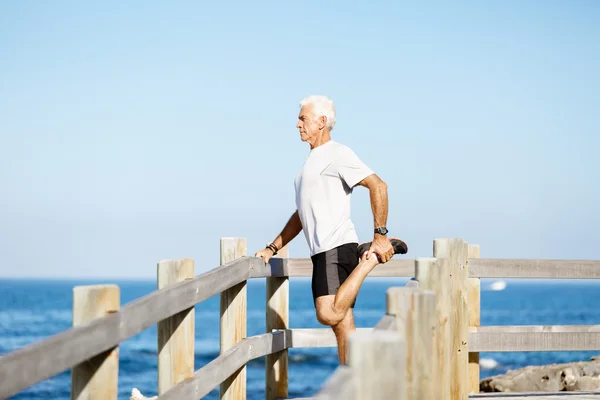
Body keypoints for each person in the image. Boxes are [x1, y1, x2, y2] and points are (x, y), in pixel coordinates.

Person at [255, 95, 407, 364]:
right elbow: (300, 216)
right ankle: (354, 385)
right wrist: (272, 247)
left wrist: (380, 235)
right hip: (323, 251)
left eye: (303, 118)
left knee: (328, 314)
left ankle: (369, 259)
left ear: (322, 121)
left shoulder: (337, 153)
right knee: (343, 326)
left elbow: (378, 185)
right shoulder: (308, 166)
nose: (298, 124)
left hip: (335, 246)